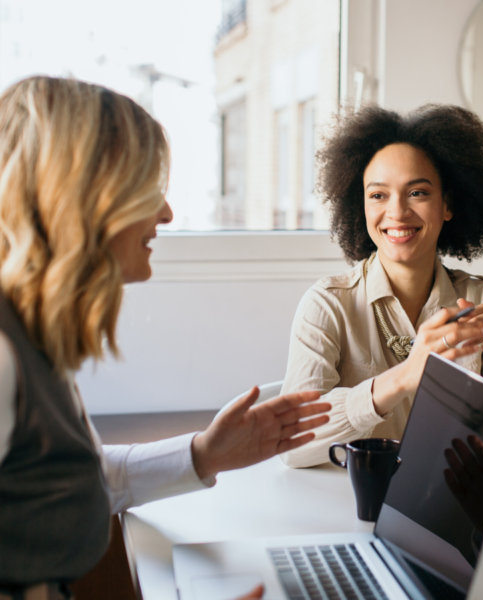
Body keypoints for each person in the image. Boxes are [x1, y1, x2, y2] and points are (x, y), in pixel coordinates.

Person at [0, 77, 330, 599]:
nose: (168, 213)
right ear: (87, 197)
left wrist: (206, 455)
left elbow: (75, 481)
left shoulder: (33, 340)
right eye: (147, 189)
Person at [279, 104, 483, 468]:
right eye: (378, 195)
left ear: (448, 204)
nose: (397, 212)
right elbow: (291, 445)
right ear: (361, 207)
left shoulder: (478, 299)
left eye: (417, 193)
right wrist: (403, 376)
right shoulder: (326, 305)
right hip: (348, 507)